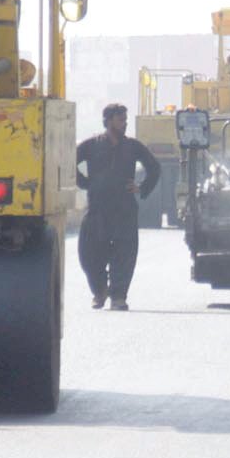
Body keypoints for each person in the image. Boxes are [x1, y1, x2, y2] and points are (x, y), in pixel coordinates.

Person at [75, 103, 161, 311]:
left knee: (124, 254)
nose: (125, 123)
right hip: (97, 208)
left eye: (125, 119)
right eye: (121, 119)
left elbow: (154, 167)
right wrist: (86, 183)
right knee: (88, 254)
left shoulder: (133, 146)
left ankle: (118, 296)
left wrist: (141, 188)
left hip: (124, 209)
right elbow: (69, 161)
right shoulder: (92, 145)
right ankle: (100, 290)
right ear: (109, 120)